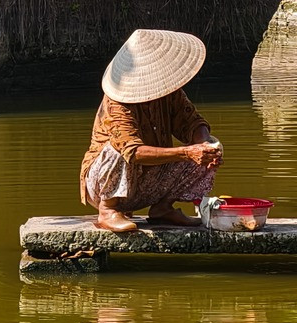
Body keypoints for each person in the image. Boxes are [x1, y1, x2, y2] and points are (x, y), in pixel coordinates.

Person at [80, 29, 223, 234]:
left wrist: (204, 145)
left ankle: (163, 208)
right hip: (104, 186)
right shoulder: (117, 103)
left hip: (147, 185)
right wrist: (186, 152)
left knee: (211, 147)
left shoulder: (170, 93)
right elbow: (133, 152)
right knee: (116, 149)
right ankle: (108, 209)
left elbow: (192, 122)